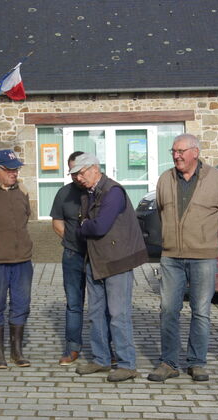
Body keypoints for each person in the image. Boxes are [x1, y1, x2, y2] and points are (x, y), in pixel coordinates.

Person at [149, 134, 218, 383]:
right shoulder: (165, 179)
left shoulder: (217, 179)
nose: (176, 155)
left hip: (204, 257)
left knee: (201, 311)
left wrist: (209, 238)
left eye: (181, 151)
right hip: (171, 256)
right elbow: (162, 211)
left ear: (195, 152)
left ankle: (197, 362)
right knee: (168, 310)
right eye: (173, 151)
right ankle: (169, 362)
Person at [72, 153, 148, 382]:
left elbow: (99, 227)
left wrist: (84, 226)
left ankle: (127, 364)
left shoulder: (113, 191)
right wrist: (86, 225)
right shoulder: (89, 193)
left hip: (117, 263)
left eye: (82, 173)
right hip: (95, 261)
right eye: (75, 174)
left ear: (95, 168)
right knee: (96, 315)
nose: (78, 178)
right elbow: (86, 225)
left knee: (118, 315)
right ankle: (101, 359)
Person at [0, 149, 34, 369]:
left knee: (21, 304)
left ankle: (17, 351)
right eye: (10, 169)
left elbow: (26, 216)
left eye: (16, 169)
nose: (14, 173)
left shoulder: (22, 189)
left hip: (22, 259)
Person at [50, 151, 86, 366]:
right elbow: (57, 223)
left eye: (78, 171)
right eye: (71, 171)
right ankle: (73, 347)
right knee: (74, 304)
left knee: (103, 305)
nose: (75, 176)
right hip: (72, 255)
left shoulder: (99, 191)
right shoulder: (64, 193)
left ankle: (107, 348)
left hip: (97, 257)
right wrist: (73, 240)